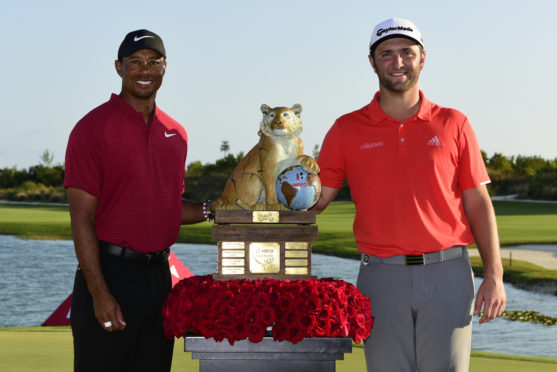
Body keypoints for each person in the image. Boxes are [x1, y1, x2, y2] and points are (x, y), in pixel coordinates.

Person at [313, 18, 506, 371]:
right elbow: (317, 199)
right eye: (386, 54)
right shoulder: (345, 129)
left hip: (448, 273)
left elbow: (478, 201)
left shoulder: (454, 123)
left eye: (406, 52)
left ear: (423, 58)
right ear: (372, 62)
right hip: (381, 278)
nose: (397, 62)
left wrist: (494, 275)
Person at [64, 29, 213, 372]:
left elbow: (167, 208)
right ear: (119, 67)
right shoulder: (92, 128)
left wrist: (212, 209)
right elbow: (82, 218)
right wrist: (99, 292)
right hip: (109, 272)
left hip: (160, 280)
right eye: (135, 62)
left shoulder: (176, 134)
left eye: (153, 62)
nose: (144, 70)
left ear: (164, 68)